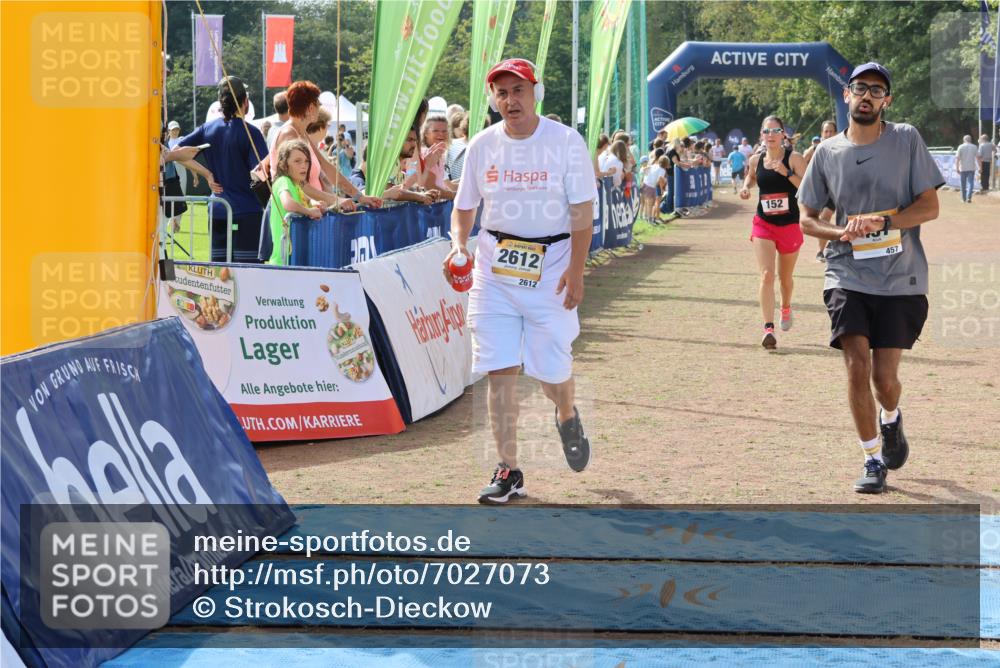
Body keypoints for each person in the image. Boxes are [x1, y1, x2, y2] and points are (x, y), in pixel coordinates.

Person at [443, 58, 598, 504]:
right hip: (494, 268)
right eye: (502, 93)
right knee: (500, 370)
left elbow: (582, 214)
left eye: (518, 91)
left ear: (536, 92)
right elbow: (464, 208)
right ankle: (509, 469)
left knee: (552, 371)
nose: (510, 100)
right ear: (493, 99)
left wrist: (576, 270)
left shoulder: (566, 143)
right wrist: (459, 245)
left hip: (553, 265)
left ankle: (566, 412)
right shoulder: (482, 145)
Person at [799, 61, 943, 495]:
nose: (867, 95)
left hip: (901, 277)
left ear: (887, 101)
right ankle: (872, 458)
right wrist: (839, 231)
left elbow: (929, 207)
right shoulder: (826, 153)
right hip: (846, 271)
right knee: (856, 365)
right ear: (847, 95)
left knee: (884, 379)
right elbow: (806, 219)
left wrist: (882, 220)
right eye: (859, 88)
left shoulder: (906, 139)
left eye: (876, 91)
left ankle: (891, 419)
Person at [177, 76, 268, 263]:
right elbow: (262, 171)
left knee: (220, 274)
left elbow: (176, 151)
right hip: (247, 211)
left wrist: (207, 174)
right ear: (245, 102)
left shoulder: (208, 128)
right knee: (248, 274)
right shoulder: (252, 133)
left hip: (218, 209)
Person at [740, 116, 807, 349]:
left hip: (789, 225)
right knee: (767, 274)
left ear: (783, 134)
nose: (771, 135)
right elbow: (751, 175)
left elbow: (808, 188)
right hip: (764, 224)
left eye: (775, 131)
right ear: (761, 135)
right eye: (766, 131)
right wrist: (746, 187)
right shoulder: (755, 159)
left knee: (785, 279)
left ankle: (786, 307)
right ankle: (768, 329)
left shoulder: (794, 158)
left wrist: (786, 172)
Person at [267, 81, 381, 208]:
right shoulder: (289, 134)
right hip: (290, 217)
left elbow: (326, 167)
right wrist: (336, 200)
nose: (319, 109)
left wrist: (360, 196)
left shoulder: (301, 133)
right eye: (318, 104)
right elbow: (299, 184)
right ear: (310, 108)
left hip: (308, 213)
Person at [266, 139, 356, 266]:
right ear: (283, 165)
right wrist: (309, 211)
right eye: (297, 161)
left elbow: (308, 200)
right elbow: (288, 204)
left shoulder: (296, 186)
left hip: (295, 258)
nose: (304, 166)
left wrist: (317, 204)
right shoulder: (283, 181)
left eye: (306, 161)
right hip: (283, 260)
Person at [803, 120, 839, 262]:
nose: (829, 134)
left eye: (831, 131)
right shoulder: (816, 149)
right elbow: (803, 159)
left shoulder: (841, 146)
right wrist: (813, 148)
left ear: (836, 133)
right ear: (822, 133)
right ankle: (821, 251)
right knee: (824, 218)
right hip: (823, 190)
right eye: (826, 131)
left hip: (839, 189)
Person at [418, 114, 456, 200]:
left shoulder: (440, 154)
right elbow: (431, 188)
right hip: (429, 210)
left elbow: (443, 184)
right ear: (426, 133)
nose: (441, 134)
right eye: (435, 131)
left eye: (444, 131)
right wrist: (457, 196)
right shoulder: (425, 153)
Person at [641, 156, 668, 221]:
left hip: (646, 183)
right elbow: (660, 180)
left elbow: (646, 169)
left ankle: (647, 217)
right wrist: (661, 189)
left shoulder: (655, 165)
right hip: (650, 185)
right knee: (650, 203)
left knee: (647, 202)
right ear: (666, 164)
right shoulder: (662, 170)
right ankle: (649, 218)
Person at [446, 112, 469, 181]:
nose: (461, 130)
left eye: (463, 127)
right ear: (453, 129)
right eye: (458, 128)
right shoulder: (450, 144)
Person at [955, 135, 978, 203]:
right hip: (971, 167)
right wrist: (980, 166)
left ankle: (963, 198)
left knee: (963, 184)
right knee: (970, 183)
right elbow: (978, 157)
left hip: (963, 168)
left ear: (964, 140)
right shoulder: (974, 147)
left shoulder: (960, 147)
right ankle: (969, 197)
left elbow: (957, 159)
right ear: (970, 140)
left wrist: (957, 168)